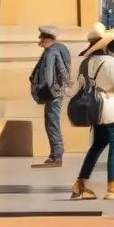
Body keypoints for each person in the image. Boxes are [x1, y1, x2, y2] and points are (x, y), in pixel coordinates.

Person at [70, 24, 114, 200]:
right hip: (112, 109)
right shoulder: (109, 61)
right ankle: (113, 185)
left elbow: (76, 87)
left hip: (95, 111)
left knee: (96, 146)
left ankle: (80, 184)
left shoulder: (86, 62)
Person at [29, 25, 72, 169]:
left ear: (48, 39)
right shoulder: (54, 50)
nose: (39, 40)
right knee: (50, 122)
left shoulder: (52, 52)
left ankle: (57, 155)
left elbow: (61, 70)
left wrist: (59, 88)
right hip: (54, 92)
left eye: (41, 37)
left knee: (52, 123)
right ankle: (54, 154)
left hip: (53, 93)